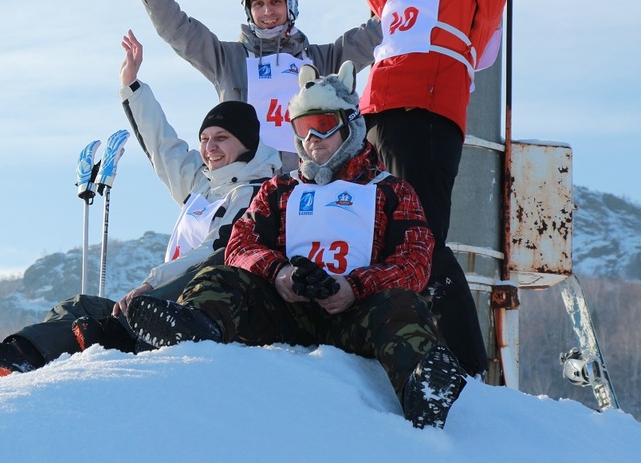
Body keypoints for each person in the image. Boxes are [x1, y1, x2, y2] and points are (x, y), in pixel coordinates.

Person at [126, 62, 467, 429]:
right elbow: (241, 243)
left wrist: (355, 287)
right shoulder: (281, 188)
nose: (312, 139)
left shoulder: (389, 189)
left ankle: (423, 388)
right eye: (303, 129)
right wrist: (280, 272)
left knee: (403, 305)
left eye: (322, 126)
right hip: (287, 311)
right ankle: (195, 328)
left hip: (357, 314)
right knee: (222, 275)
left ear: (349, 125)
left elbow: (415, 260)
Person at [300, 0, 527, 376]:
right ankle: (384, 340)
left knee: (422, 235)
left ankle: (469, 362)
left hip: (425, 121)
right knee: (379, 230)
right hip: (376, 121)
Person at [0, 31, 281, 378]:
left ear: (245, 144)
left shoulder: (255, 194)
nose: (209, 147)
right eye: (205, 139)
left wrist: (151, 285)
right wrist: (132, 87)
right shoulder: (202, 183)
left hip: (193, 306)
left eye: (222, 139)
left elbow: (214, 250)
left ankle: (109, 341)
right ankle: (17, 356)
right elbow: (162, 145)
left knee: (128, 311)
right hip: (157, 297)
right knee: (80, 305)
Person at [112, 0, 384, 170]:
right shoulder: (227, 59)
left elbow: (380, 29)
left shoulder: (323, 60)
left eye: (276, 2)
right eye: (258, 5)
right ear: (248, 10)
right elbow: (177, 28)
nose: (267, 12)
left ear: (292, 6)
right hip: (247, 186)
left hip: (306, 183)